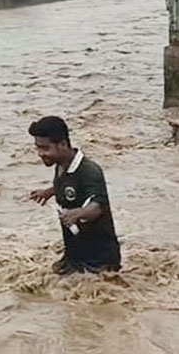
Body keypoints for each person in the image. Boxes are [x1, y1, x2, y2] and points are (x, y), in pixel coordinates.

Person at [28, 116, 121, 275]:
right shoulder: (61, 165)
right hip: (74, 254)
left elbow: (97, 207)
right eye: (38, 148)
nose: (40, 154)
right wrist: (49, 192)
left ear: (63, 144)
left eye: (45, 148)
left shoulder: (90, 171)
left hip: (98, 259)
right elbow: (68, 185)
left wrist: (77, 213)